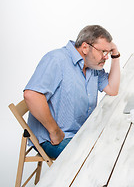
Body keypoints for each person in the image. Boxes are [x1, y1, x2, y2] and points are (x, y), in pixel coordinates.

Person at [23, 25, 121, 158]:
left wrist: (115, 55)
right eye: (103, 51)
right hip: (54, 139)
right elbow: (31, 95)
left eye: (108, 53)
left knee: (117, 144)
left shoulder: (92, 66)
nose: (106, 57)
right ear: (85, 47)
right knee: (100, 157)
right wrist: (54, 131)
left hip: (81, 132)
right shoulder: (57, 59)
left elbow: (112, 89)